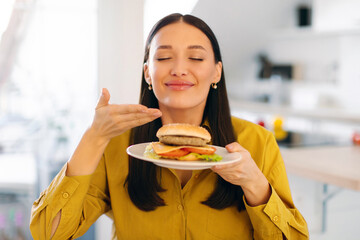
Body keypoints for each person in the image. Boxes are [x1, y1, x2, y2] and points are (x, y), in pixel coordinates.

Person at [30, 13, 309, 239]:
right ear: (148, 73)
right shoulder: (116, 144)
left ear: (216, 72)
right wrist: (93, 138)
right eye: (163, 58)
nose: (178, 68)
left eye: (196, 58)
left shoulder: (257, 142)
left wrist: (255, 184)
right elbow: (48, 233)